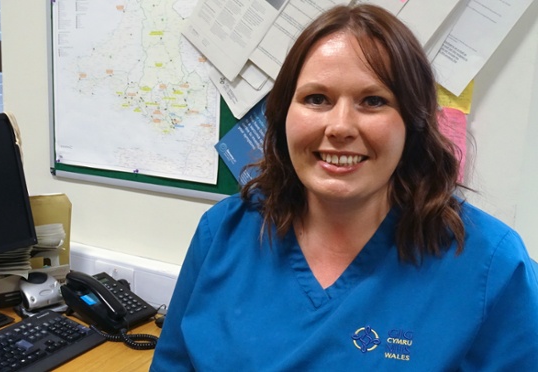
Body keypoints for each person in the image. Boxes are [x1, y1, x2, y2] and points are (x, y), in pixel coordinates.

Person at [150, 4, 538, 371]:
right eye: (316, 99)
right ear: (284, 115)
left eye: (373, 101)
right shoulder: (222, 233)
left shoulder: (492, 266)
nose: (339, 127)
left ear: (413, 122)